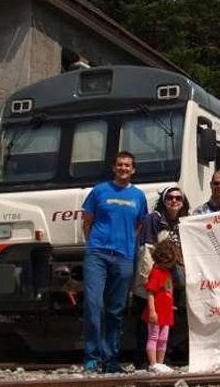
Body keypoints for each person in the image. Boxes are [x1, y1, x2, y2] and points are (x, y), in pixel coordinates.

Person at [81, 151, 149, 373]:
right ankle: (92, 356)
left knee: (115, 310)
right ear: (114, 168)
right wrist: (93, 245)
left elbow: (139, 225)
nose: (123, 168)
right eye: (119, 164)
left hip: (124, 257)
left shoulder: (139, 196)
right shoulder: (99, 191)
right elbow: (87, 222)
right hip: (97, 254)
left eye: (127, 165)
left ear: (133, 170)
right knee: (93, 304)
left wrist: (128, 245)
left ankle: (110, 359)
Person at [133, 186, 190, 369]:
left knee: (169, 320)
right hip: (156, 277)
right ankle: (145, 361)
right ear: (164, 200)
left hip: (174, 279)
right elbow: (146, 249)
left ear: (183, 202)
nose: (174, 201)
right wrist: (147, 279)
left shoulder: (184, 222)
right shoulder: (154, 219)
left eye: (178, 198)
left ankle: (164, 358)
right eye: (170, 198)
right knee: (148, 321)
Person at [143, 239, 181, 373]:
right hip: (157, 312)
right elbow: (150, 293)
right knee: (153, 336)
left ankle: (160, 363)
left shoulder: (167, 273)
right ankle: (153, 364)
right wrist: (152, 310)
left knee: (163, 338)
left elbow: (167, 292)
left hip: (166, 312)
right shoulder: (156, 272)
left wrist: (171, 305)